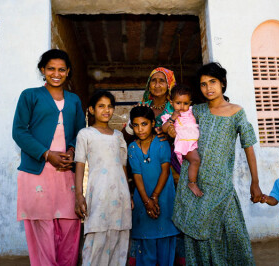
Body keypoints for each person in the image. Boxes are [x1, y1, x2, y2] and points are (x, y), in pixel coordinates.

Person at [172, 62, 263, 265]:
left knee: (233, 235)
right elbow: (176, 127)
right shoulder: (195, 111)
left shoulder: (236, 112)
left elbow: (249, 147)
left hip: (221, 186)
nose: (208, 88)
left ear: (222, 83)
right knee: (199, 238)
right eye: (203, 84)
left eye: (212, 82)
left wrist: (255, 182)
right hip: (195, 187)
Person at [12, 49, 85, 266]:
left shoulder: (73, 100)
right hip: (37, 171)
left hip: (66, 172)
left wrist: (71, 151)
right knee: (42, 228)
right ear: (42, 70)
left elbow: (80, 132)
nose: (56, 73)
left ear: (68, 72)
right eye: (51, 68)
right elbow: (19, 131)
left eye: (61, 69)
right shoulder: (30, 95)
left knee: (70, 226)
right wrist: (46, 154)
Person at [74, 90, 132, 266]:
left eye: (109, 106)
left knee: (119, 237)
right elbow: (80, 164)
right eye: (101, 106)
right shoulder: (85, 134)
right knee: (95, 237)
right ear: (91, 110)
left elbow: (123, 167)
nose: (106, 110)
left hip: (120, 195)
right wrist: (78, 195)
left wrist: (128, 195)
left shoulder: (118, 136)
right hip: (98, 194)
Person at [128, 106, 180, 265]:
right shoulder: (132, 148)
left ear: (152, 123)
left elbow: (165, 171)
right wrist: (146, 201)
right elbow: (137, 176)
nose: (140, 129)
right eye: (136, 125)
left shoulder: (162, 143)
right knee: (146, 245)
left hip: (163, 197)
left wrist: (155, 197)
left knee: (165, 243)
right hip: (143, 200)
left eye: (144, 124)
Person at [161, 85, 203, 197]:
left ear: (190, 103)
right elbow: (164, 129)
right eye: (178, 103)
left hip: (195, 141)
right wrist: (173, 118)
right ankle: (192, 183)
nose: (182, 106)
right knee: (195, 160)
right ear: (171, 102)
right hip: (185, 143)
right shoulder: (169, 116)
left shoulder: (192, 111)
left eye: (185, 103)